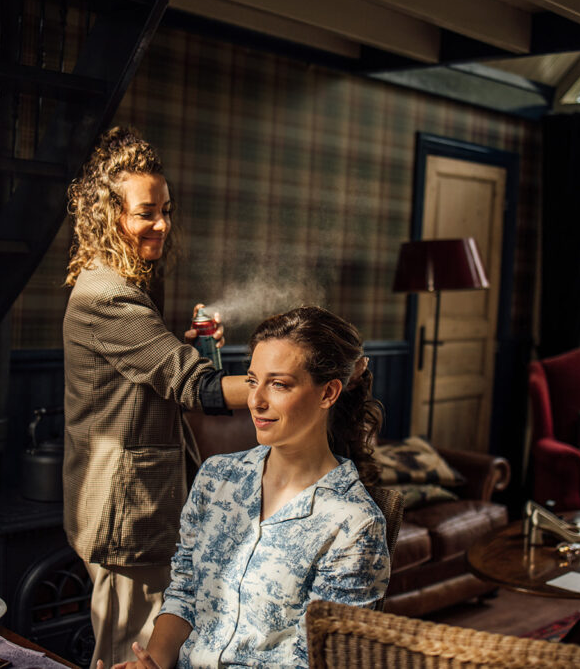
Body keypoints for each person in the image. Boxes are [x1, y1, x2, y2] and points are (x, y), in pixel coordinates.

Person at [100, 306, 392, 669]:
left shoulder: (354, 523)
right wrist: (153, 663)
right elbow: (186, 591)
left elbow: (319, 660)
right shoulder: (217, 476)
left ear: (328, 393)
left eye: (279, 384)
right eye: (253, 381)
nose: (256, 400)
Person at [62, 126, 248, 668]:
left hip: (138, 506)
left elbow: (156, 375)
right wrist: (286, 386)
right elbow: (194, 386)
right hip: (125, 510)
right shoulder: (107, 294)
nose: (162, 224)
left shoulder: (128, 284)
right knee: (133, 657)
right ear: (110, 215)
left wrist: (187, 350)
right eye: (147, 212)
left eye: (166, 210)